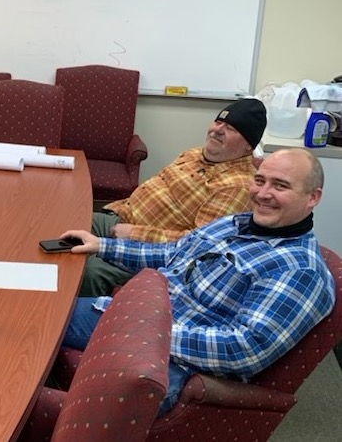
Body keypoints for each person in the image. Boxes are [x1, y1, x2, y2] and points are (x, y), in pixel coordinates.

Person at [61, 148, 335, 416]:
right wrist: (102, 246)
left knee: (87, 399)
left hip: (176, 360)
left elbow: (243, 349)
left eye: (280, 186)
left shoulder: (299, 270)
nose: (263, 194)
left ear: (313, 197)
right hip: (141, 315)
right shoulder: (235, 223)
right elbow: (173, 253)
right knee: (40, 323)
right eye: (260, 180)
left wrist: (147, 328)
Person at [81, 97, 267, 296]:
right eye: (218, 121)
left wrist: (133, 233)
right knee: (65, 224)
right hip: (120, 217)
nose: (218, 130)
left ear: (248, 145)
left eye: (231, 128)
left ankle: (72, 322)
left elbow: (197, 244)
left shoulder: (236, 186)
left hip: (146, 251)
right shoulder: (194, 154)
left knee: (87, 272)